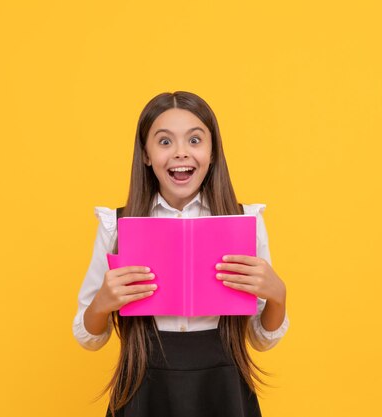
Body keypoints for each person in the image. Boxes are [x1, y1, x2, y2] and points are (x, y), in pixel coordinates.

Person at [72, 91, 290, 417]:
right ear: (145, 154)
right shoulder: (116, 225)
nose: (180, 153)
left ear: (213, 151)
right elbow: (88, 336)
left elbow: (262, 339)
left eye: (194, 140)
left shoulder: (245, 222)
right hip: (144, 390)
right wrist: (103, 302)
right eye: (164, 142)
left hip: (223, 390)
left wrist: (278, 296)